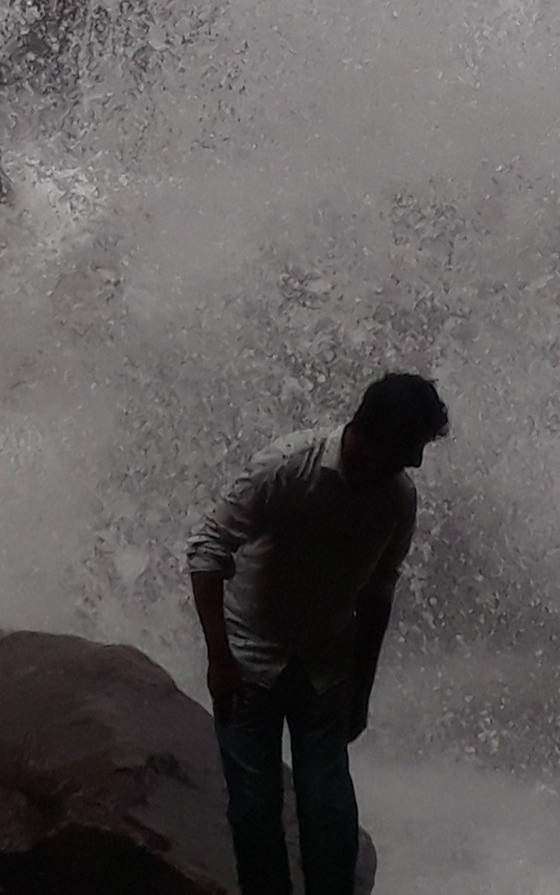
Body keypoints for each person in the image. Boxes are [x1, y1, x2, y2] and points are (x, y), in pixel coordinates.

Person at [187, 373, 449, 895]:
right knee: (254, 814)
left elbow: (378, 594)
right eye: (409, 447)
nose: (416, 462)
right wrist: (219, 661)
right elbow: (206, 549)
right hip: (248, 665)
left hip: (326, 671)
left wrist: (362, 691)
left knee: (330, 816)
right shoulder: (285, 467)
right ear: (371, 435)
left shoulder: (398, 498)